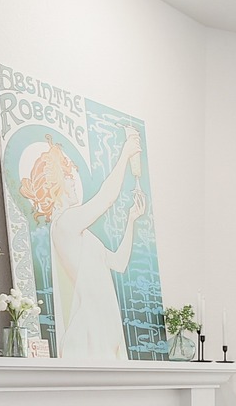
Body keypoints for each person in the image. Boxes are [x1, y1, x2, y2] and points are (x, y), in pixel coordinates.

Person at [18, 127, 144, 359]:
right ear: (54, 182)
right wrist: (125, 154)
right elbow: (106, 198)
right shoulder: (64, 224)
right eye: (67, 176)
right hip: (89, 331)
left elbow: (118, 263)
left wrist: (131, 220)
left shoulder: (83, 234)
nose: (73, 180)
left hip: (105, 330)